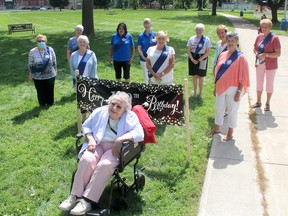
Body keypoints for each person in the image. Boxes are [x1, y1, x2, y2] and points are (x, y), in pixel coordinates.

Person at [59, 91, 144, 215]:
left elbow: (139, 134)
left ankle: (87, 201)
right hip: (97, 143)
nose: (114, 108)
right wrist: (90, 138)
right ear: (108, 103)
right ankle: (74, 196)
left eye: (118, 106)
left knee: (104, 165)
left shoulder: (130, 116)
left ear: (124, 109)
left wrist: (120, 139)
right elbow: (86, 126)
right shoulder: (100, 111)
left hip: (115, 149)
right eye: (112, 104)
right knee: (87, 160)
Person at [211, 32, 250, 141]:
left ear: (237, 42)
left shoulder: (241, 57)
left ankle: (230, 132)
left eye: (232, 41)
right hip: (220, 87)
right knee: (219, 108)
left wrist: (238, 92)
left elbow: (244, 76)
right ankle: (217, 128)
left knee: (232, 110)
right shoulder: (223, 55)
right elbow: (218, 72)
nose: (230, 43)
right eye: (228, 41)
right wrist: (215, 86)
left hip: (233, 89)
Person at [251, 19, 281, 112]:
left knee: (269, 84)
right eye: (262, 27)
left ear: (270, 27)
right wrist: (256, 53)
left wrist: (266, 55)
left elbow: (278, 54)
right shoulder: (259, 36)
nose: (264, 29)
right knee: (259, 82)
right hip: (260, 63)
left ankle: (267, 103)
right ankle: (258, 101)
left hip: (270, 65)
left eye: (266, 27)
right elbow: (254, 48)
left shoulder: (274, 38)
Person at [28, 34, 57, 107]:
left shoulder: (50, 50)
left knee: (50, 90)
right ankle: (42, 104)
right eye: (39, 41)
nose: (41, 42)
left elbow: (54, 61)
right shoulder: (32, 51)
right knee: (40, 91)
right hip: (37, 76)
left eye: (42, 41)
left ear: (46, 41)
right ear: (36, 42)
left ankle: (50, 103)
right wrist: (31, 74)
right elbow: (30, 64)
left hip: (50, 74)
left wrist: (56, 70)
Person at [187, 23, 211, 97]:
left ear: (203, 30)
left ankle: (200, 92)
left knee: (201, 76)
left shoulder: (206, 39)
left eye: (200, 29)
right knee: (194, 76)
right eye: (197, 29)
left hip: (202, 58)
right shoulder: (191, 39)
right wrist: (192, 59)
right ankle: (194, 92)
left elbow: (207, 52)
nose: (198, 31)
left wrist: (199, 60)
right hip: (193, 58)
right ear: (195, 30)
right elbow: (188, 50)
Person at [137, 18, 157, 84]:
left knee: (153, 75)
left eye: (148, 23)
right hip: (144, 59)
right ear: (144, 25)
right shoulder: (141, 36)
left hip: (153, 59)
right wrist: (143, 57)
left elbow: (158, 46)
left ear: (151, 24)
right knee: (146, 76)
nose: (147, 25)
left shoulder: (155, 35)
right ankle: (147, 90)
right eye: (145, 23)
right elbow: (139, 48)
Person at [67, 24, 87, 89]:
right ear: (75, 31)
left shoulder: (85, 39)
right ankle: (76, 87)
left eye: (80, 30)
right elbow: (68, 51)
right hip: (74, 60)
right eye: (77, 30)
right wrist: (69, 60)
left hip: (83, 59)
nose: (79, 31)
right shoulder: (71, 40)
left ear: (82, 31)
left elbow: (88, 49)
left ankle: (83, 87)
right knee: (75, 74)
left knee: (83, 73)